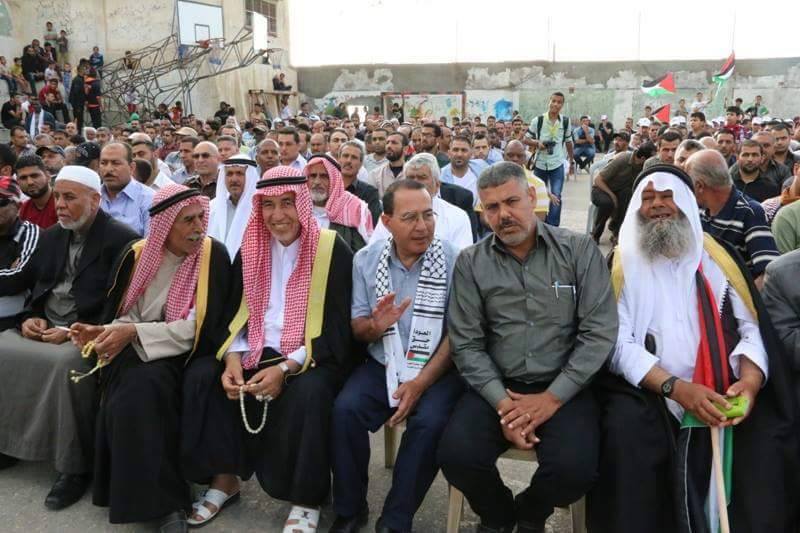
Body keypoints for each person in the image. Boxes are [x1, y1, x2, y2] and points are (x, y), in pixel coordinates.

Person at [588, 165, 798, 533]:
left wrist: (749, 384)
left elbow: (752, 327)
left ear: (686, 202)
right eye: (648, 198)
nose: (657, 205)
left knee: (770, 443)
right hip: (652, 392)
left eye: (667, 196)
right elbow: (618, 344)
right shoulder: (622, 263)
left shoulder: (720, 258)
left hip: (726, 388)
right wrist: (676, 388)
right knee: (625, 437)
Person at [438, 161, 617, 533]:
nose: (503, 215)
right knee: (457, 457)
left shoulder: (578, 250)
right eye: (492, 207)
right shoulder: (472, 262)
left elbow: (598, 333)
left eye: (511, 201)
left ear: (532, 198)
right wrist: (505, 407)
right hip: (496, 386)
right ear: (482, 212)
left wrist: (551, 399)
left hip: (565, 385)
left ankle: (531, 513)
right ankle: (498, 515)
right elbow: (467, 344)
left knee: (576, 469)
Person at [181, 166, 356, 533]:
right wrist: (232, 358)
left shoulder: (331, 249)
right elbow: (232, 313)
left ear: (302, 203)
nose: (277, 216)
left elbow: (338, 327)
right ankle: (224, 480)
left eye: (287, 203)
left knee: (310, 393)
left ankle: (306, 498)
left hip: (311, 354)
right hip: (255, 346)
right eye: (268, 205)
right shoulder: (251, 247)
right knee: (203, 376)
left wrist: (285, 368)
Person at [71, 183, 231, 531]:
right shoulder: (138, 254)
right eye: (188, 220)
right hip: (137, 346)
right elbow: (125, 313)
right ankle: (145, 500)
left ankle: (166, 505)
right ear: (165, 225)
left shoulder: (212, 256)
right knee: (126, 397)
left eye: (201, 217)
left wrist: (135, 332)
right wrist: (104, 332)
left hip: (186, 352)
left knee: (146, 390)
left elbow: (200, 327)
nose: (198, 227)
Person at [0, 166, 138, 510]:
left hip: (90, 331)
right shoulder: (52, 236)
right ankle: (8, 445)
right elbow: (37, 288)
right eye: (58, 197)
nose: (59, 205)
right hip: (47, 326)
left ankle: (74, 468)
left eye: (69, 198)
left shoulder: (121, 239)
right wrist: (31, 318)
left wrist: (71, 331)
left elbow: (120, 305)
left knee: (67, 367)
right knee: (3, 348)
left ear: (94, 200)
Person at [330, 179, 464, 533]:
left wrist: (420, 383)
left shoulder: (454, 259)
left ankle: (395, 520)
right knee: (345, 410)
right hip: (383, 363)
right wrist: (376, 326)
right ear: (386, 221)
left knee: (429, 423)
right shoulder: (366, 260)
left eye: (428, 215)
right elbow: (359, 326)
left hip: (437, 370)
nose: (422, 226)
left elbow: (458, 336)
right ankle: (349, 509)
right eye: (410, 218)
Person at [686, 149, 779, 285]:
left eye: (688, 183)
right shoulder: (697, 210)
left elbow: (768, 272)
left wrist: (744, 297)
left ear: (699, 186)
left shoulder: (749, 212)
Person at [369, 154, 473, 250]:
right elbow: (375, 251)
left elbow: (461, 259)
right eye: (410, 177)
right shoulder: (391, 215)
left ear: (437, 185)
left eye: (422, 177)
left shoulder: (457, 217)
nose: (415, 183)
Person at [523, 91, 575, 226]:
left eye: (559, 102)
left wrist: (571, 160)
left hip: (557, 163)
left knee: (556, 195)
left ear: (562, 105)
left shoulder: (565, 121)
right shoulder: (538, 120)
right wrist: (537, 143)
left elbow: (569, 141)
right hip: (540, 164)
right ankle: (539, 224)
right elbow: (525, 139)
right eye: (554, 101)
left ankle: (553, 227)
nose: (556, 104)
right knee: (538, 194)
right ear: (549, 102)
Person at [304, 154, 373, 252]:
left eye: (324, 176)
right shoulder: (298, 208)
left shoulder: (355, 208)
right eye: (313, 176)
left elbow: (366, 250)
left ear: (334, 180)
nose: (317, 181)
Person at [591, 142, 655, 243]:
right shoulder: (623, 159)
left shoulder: (644, 168)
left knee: (628, 196)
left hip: (621, 191)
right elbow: (598, 180)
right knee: (607, 203)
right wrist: (612, 196)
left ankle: (617, 232)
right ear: (643, 158)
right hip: (601, 189)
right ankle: (595, 234)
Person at [0, 176, 39, 330]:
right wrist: (8, 272)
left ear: (18, 206)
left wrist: (14, 275)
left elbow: (20, 277)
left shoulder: (30, 232)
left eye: (1, 202)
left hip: (14, 319)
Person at [208, 155, 260, 259]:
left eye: (239, 173)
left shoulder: (259, 208)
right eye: (229, 174)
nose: (234, 179)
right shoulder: (212, 207)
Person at [99, 142, 155, 236]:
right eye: (103, 163)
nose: (108, 169)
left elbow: (150, 242)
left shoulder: (149, 199)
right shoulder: (92, 196)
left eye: (116, 163)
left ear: (131, 167)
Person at [338, 140, 382, 225]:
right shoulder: (329, 187)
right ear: (339, 159)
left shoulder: (370, 193)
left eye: (354, 157)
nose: (348, 160)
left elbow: (372, 224)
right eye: (345, 156)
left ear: (361, 163)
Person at [439, 135, 489, 207]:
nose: (459, 154)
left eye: (464, 150)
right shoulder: (441, 177)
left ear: (471, 154)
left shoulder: (482, 167)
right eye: (455, 150)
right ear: (449, 153)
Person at [16, 153, 57, 228]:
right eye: (23, 178)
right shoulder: (24, 210)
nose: (30, 182)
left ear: (48, 176)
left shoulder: (62, 204)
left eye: (34, 176)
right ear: (17, 181)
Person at [367, 131, 408, 197]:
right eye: (387, 143)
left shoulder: (413, 174)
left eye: (394, 143)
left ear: (405, 149)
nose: (389, 146)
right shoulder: (375, 174)